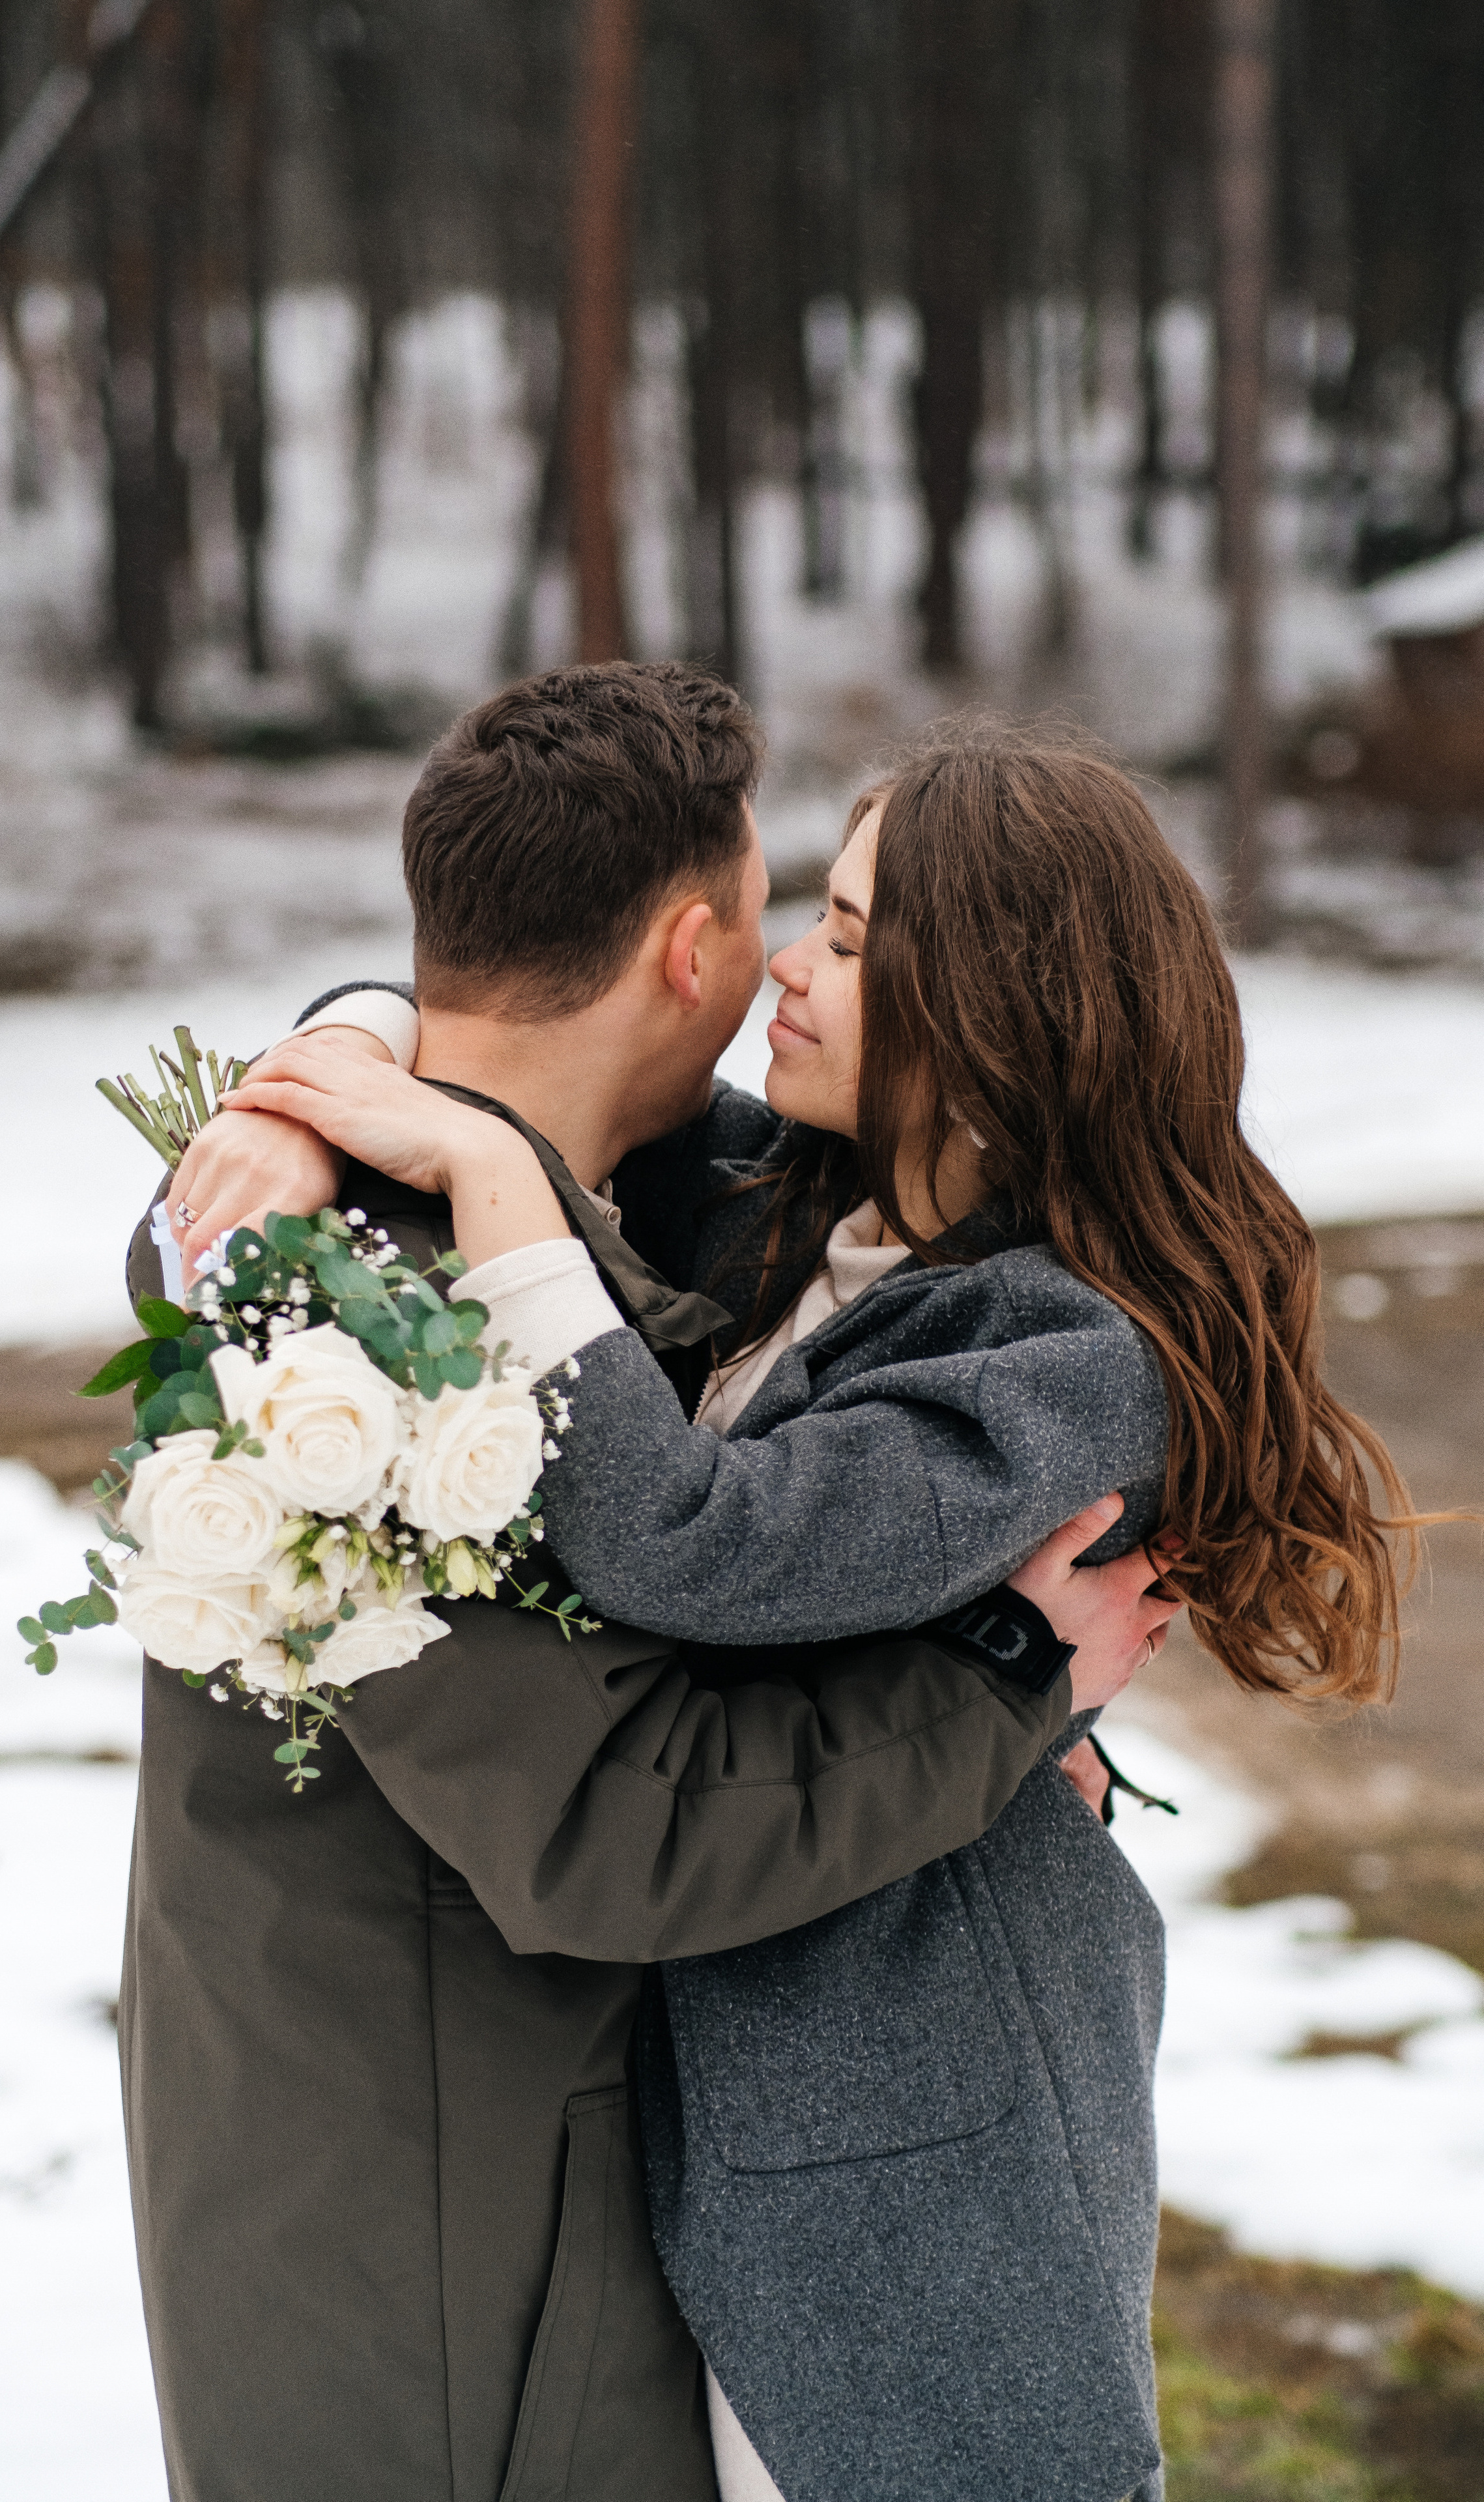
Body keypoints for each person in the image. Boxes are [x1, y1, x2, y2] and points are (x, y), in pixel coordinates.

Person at [221, 720, 1415, 2502]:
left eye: (851, 940)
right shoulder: (815, 1200)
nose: (788, 963)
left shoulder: (1066, 1363)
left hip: (932, 2106)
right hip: (779, 2079)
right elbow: (508, 1040)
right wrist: (334, 1064)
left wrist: (486, 1187)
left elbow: (694, 1544)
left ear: (995, 1006)